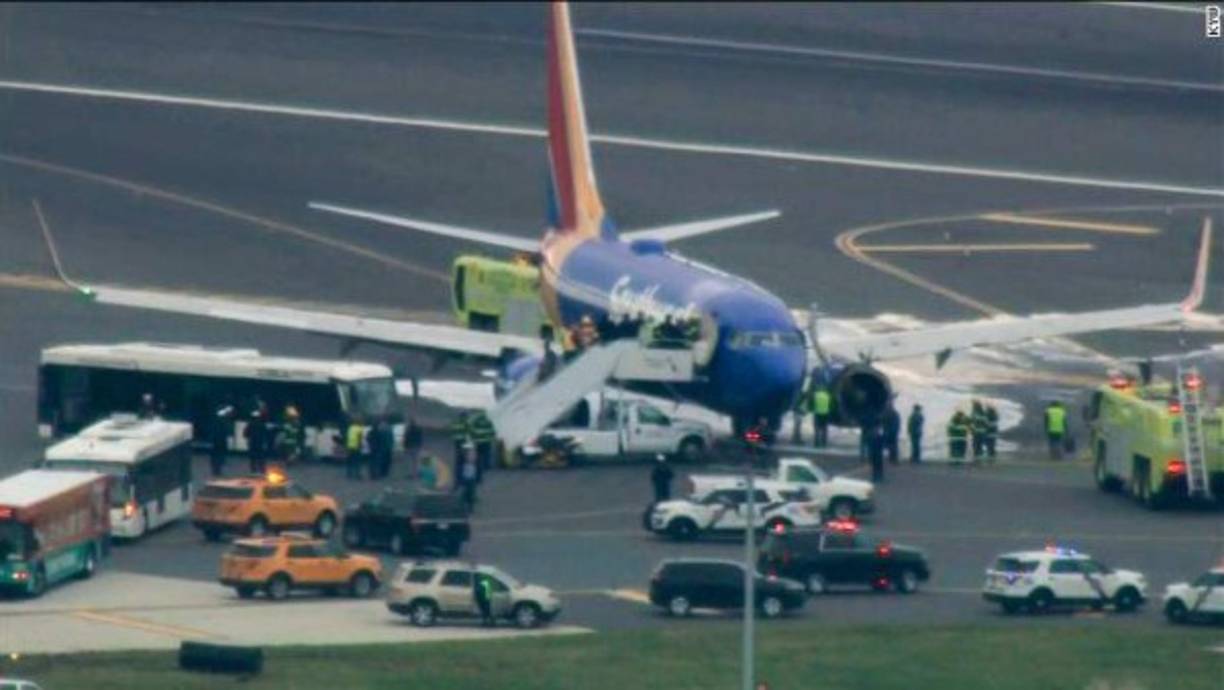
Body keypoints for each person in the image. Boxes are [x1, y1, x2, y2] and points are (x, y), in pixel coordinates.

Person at [209, 401, 235, 477]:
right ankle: (217, 469)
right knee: (218, 454)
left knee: (218, 455)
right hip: (219, 439)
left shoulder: (222, 420)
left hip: (219, 439)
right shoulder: (220, 418)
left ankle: (217, 469)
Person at [245, 401, 272, 474]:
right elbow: (266, 434)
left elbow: (245, 434)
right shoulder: (262, 424)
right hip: (260, 444)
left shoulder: (250, 424)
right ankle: (262, 471)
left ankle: (254, 471)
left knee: (253, 459)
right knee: (261, 458)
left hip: (252, 443)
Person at [468, 411, 497, 477]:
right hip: (486, 439)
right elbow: (492, 429)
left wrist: (473, 436)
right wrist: (493, 436)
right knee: (487, 453)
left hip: (479, 440)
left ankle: (479, 465)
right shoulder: (489, 419)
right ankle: (486, 465)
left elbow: (471, 428)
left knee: (479, 453)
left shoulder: (476, 419)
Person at [810, 384, 832, 448]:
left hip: (817, 413)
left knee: (817, 429)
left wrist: (812, 409)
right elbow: (831, 405)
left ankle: (816, 442)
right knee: (824, 429)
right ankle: (824, 443)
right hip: (825, 414)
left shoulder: (816, 395)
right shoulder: (828, 396)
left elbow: (812, 404)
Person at [458, 442, 479, 508]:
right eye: (470, 455)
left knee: (470, 493)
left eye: (473, 455)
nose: (472, 457)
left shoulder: (474, 465)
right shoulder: (463, 464)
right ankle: (465, 504)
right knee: (465, 493)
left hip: (471, 479)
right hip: (465, 479)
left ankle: (470, 505)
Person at [865, 416, 885, 482]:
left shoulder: (871, 432)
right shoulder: (879, 432)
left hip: (874, 450)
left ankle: (876, 477)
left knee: (875, 465)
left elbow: (868, 442)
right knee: (878, 464)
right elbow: (882, 440)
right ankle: (879, 477)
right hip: (878, 451)